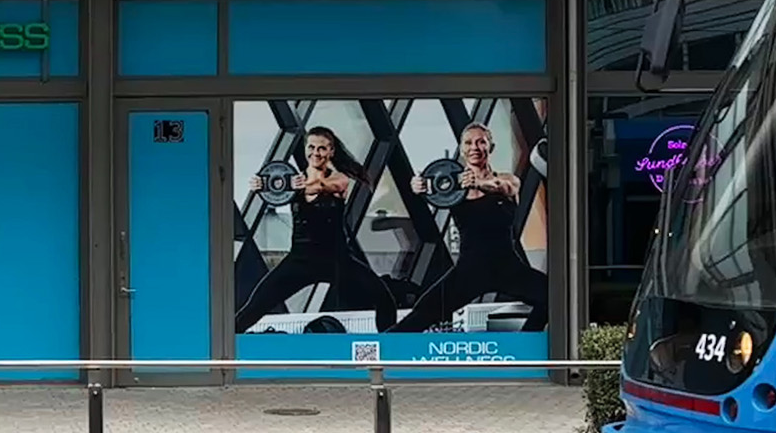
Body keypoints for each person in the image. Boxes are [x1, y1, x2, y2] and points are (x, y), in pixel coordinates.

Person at [390, 121, 548, 333]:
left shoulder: (507, 180)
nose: (474, 147)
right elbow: (427, 187)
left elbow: (502, 187)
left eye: (481, 142)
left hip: (507, 267)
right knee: (422, 313)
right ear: (462, 149)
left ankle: (524, 344)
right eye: (468, 143)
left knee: (553, 296)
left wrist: (478, 183)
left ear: (490, 147)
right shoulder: (451, 188)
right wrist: (417, 186)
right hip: (469, 270)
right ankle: (380, 350)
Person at [234, 127, 396, 332]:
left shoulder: (339, 179)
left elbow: (319, 186)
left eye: (322, 148)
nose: (315, 153)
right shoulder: (293, 182)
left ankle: (390, 346)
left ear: (331, 151)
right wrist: (261, 184)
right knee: (254, 306)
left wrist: (288, 185)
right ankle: (227, 346)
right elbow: (276, 191)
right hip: (300, 260)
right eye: (311, 147)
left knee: (384, 299)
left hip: (337, 260)